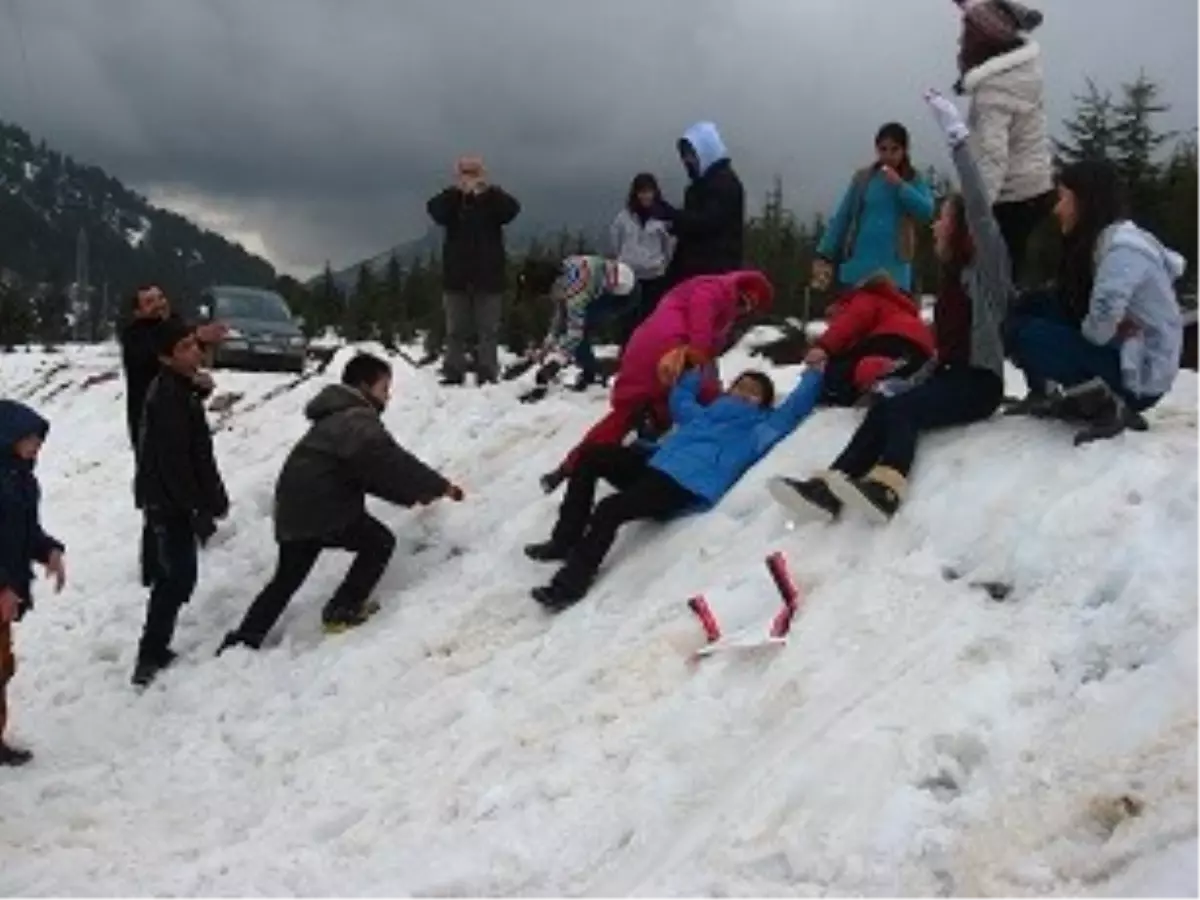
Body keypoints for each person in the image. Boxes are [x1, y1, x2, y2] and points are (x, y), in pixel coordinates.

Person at [768, 91, 1014, 524]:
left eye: (943, 218)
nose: (935, 223)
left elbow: (979, 210)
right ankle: (830, 485)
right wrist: (911, 379)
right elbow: (946, 352)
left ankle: (887, 486)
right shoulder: (950, 280)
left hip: (981, 384)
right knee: (888, 400)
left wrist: (957, 138)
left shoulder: (984, 272)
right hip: (954, 376)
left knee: (904, 409)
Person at [526, 365, 824, 611]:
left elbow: (794, 409)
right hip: (654, 469)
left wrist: (814, 373)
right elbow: (680, 399)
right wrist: (696, 371)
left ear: (764, 402)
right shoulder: (706, 413)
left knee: (610, 508)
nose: (745, 392)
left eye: (754, 391)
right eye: (741, 386)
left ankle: (569, 586)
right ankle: (564, 540)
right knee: (592, 455)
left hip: (684, 486)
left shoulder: (761, 427)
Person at [219, 355, 463, 652]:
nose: (388, 395)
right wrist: (438, 486)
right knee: (378, 542)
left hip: (295, 509)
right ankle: (342, 610)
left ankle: (246, 637)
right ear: (364, 386)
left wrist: (412, 495)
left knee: (286, 578)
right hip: (324, 509)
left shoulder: (336, 417)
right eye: (384, 387)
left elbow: (365, 473)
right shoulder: (356, 420)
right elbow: (391, 462)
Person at [539, 270, 774, 493]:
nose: (742, 309)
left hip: (644, 347)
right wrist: (704, 364)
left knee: (625, 413)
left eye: (748, 308)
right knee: (696, 406)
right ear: (739, 289)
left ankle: (568, 467)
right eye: (743, 301)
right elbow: (702, 332)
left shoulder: (713, 297)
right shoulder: (716, 289)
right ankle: (648, 454)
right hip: (671, 352)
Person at [1004, 160, 1185, 442]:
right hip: (1123, 350)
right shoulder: (1100, 241)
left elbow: (1099, 329)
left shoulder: (1121, 251)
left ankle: (1106, 404)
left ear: (1085, 201)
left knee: (1026, 335)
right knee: (1031, 305)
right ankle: (1050, 392)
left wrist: (1105, 326)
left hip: (1139, 375)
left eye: (1063, 198)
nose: (1057, 209)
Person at [133, 319, 229, 687]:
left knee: (176, 577)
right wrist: (196, 509)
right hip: (169, 502)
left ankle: (155, 648)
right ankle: (149, 653)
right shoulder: (168, 397)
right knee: (176, 578)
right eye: (185, 348)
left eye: (194, 345)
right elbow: (176, 463)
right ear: (166, 357)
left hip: (172, 500)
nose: (195, 352)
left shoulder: (179, 389)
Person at [120, 285, 226, 588]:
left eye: (160, 298)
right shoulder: (136, 336)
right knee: (157, 490)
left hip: (177, 417)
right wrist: (197, 336)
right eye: (149, 302)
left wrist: (196, 383)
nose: (158, 304)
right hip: (147, 425)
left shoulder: (170, 327)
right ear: (138, 311)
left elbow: (180, 367)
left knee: (182, 474)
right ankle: (154, 565)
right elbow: (156, 356)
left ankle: (189, 536)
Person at [954, 0, 1053, 281]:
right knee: (1013, 273)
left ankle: (999, 324)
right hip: (1035, 186)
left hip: (1013, 196)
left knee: (995, 281)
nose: (961, 41)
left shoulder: (994, 91)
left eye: (967, 34)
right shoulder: (1021, 73)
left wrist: (975, 221)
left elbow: (993, 159)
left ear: (983, 42)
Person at [0, 401, 66, 766]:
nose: (36, 445)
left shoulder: (22, 478)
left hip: (8, 590)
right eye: (29, 438)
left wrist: (49, 551)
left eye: (39, 438)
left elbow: (25, 532)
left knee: (2, 667)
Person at [426, 155, 521, 386]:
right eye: (465, 173)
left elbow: (512, 210)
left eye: (473, 172)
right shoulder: (451, 200)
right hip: (456, 277)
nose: (469, 178)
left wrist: (487, 191)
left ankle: (488, 373)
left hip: (488, 277)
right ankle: (453, 371)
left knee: (488, 330)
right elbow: (434, 210)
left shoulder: (493, 199)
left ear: (482, 174)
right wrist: (456, 192)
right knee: (455, 330)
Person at [813, 123, 935, 294]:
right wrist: (825, 252)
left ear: (904, 150)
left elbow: (926, 211)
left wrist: (900, 186)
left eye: (894, 150)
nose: (888, 155)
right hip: (858, 269)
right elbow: (843, 216)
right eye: (883, 149)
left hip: (895, 271)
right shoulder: (864, 178)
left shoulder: (912, 179)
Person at [804, 276, 936, 407]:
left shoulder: (864, 297)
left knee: (838, 370)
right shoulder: (899, 307)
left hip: (890, 338)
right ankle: (897, 379)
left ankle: (875, 379)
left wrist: (823, 347)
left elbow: (849, 323)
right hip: (921, 349)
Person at [517, 255, 639, 392]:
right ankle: (590, 370)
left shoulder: (576, 296)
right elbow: (561, 309)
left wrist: (556, 362)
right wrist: (549, 341)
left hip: (623, 296)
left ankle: (592, 374)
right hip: (620, 277)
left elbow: (575, 333)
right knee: (574, 324)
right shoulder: (568, 265)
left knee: (581, 330)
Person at [661, 122, 745, 282]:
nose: (686, 160)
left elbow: (708, 223)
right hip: (692, 273)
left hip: (715, 275)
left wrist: (673, 216)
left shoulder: (725, 184)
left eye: (691, 154)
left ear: (705, 150)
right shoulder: (697, 187)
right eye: (684, 155)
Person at [609, 173, 675, 339]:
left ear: (655, 192)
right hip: (630, 276)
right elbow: (615, 242)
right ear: (635, 193)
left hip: (655, 276)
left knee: (651, 319)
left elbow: (669, 245)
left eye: (649, 191)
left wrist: (661, 265)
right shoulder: (623, 218)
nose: (645, 196)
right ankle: (626, 355)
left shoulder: (663, 218)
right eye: (642, 192)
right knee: (629, 320)